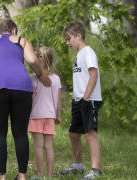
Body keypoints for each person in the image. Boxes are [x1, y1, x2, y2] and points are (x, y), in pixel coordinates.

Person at [0, 13, 50, 180]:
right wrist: (41, 74)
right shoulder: (21, 40)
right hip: (21, 88)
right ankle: (22, 176)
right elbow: (32, 59)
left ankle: (2, 177)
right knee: (20, 133)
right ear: (14, 30)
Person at [60, 22, 103, 180]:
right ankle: (78, 166)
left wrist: (85, 97)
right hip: (79, 100)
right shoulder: (79, 54)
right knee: (73, 133)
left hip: (89, 99)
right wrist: (79, 98)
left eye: (69, 38)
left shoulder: (88, 52)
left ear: (78, 36)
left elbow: (93, 75)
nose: (67, 42)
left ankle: (96, 170)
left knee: (90, 133)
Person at [28, 46, 62, 179]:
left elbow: (33, 98)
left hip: (36, 115)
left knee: (38, 146)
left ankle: (39, 174)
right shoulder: (56, 79)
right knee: (49, 146)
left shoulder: (34, 78)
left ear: (41, 58)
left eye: (37, 56)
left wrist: (27, 114)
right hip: (50, 116)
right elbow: (58, 100)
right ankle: (49, 176)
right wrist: (58, 115)